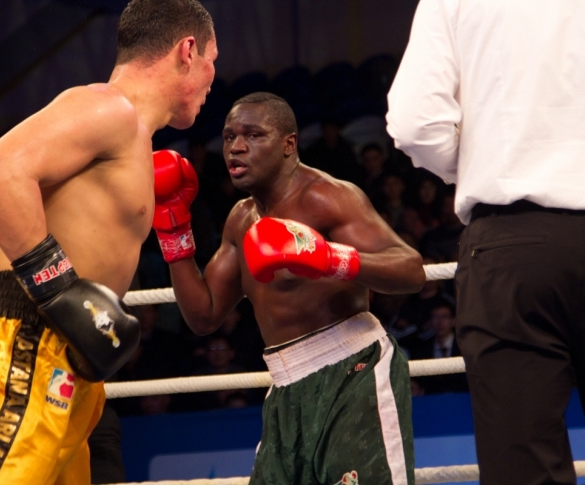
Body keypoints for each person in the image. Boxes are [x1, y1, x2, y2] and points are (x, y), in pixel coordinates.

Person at [0, 1, 217, 483]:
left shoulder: (129, 137)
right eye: (212, 59)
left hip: (65, 362)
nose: (213, 79)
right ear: (188, 50)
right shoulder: (108, 107)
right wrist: (60, 292)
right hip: (27, 348)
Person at [153, 92, 424, 485]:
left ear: (289, 144)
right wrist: (174, 233)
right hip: (284, 385)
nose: (237, 147)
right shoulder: (240, 219)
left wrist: (330, 259)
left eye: (253, 135)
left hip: (353, 371)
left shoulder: (327, 196)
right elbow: (204, 315)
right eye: (229, 137)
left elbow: (412, 270)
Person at [386, 1, 585, 483]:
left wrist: (486, 159)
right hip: (513, 239)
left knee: (523, 467)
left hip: (513, 242)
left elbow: (416, 124)